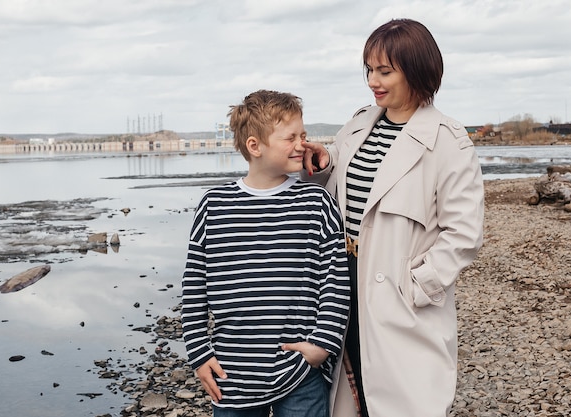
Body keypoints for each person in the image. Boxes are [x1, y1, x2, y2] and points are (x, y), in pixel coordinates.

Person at [301, 19, 485, 417]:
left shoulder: (448, 140)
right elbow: (344, 179)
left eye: (385, 71)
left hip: (400, 292)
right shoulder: (358, 125)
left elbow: (464, 233)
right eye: (369, 69)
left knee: (404, 399)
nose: (373, 80)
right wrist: (324, 162)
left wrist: (419, 284)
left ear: (416, 70)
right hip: (345, 279)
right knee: (353, 390)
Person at [181, 89, 351, 417]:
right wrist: (200, 354)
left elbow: (335, 281)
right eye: (291, 137)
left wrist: (321, 344)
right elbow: (193, 288)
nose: (302, 143)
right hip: (232, 374)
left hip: (301, 370)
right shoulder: (214, 206)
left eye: (304, 135)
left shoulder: (316, 203)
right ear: (255, 146)